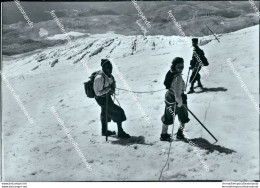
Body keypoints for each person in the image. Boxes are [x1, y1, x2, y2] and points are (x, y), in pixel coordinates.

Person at [94, 59, 130, 138]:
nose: (109, 69)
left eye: (110, 67)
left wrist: (112, 88)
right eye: (107, 67)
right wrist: (108, 90)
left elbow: (111, 85)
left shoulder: (109, 75)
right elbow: (97, 92)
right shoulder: (99, 78)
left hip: (107, 97)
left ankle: (104, 131)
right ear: (103, 67)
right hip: (101, 99)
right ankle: (120, 132)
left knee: (104, 113)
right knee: (119, 111)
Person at [161, 57, 190, 141]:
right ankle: (180, 134)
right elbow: (177, 94)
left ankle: (164, 134)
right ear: (175, 66)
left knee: (168, 117)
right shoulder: (178, 78)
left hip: (169, 98)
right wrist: (181, 104)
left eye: (182, 66)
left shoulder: (171, 72)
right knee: (183, 117)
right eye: (179, 66)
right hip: (178, 100)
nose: (181, 68)